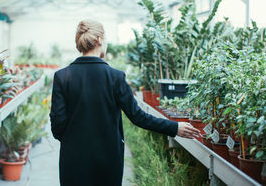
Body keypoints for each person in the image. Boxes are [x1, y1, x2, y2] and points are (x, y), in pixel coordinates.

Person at [50, 19, 200, 186]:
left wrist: (74, 141)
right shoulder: (115, 77)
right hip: (108, 159)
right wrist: (174, 127)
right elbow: (138, 117)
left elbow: (57, 126)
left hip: (73, 160)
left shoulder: (62, 77)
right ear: (100, 39)